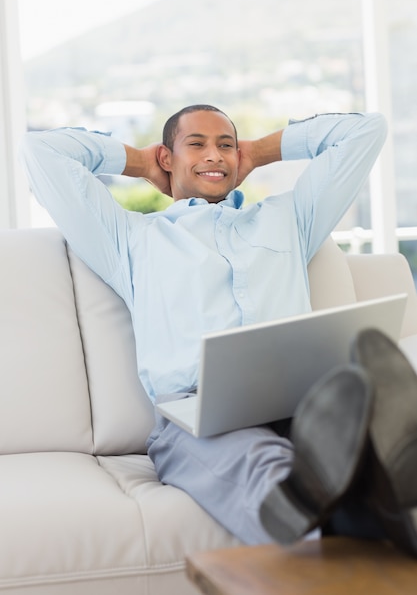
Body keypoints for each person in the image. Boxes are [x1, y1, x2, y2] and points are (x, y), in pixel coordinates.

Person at [20, 105, 417, 555]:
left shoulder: (290, 219)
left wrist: (259, 151)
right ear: (168, 158)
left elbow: (365, 131)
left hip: (304, 402)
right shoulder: (133, 239)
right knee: (250, 457)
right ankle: (337, 510)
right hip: (200, 412)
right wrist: (142, 161)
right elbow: (42, 150)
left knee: (347, 420)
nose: (215, 155)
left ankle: (369, 483)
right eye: (197, 145)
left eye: (225, 145)